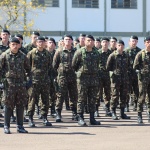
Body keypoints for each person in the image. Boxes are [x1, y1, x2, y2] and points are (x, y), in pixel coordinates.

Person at [0, 37, 30, 134]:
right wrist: (1, 82)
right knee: (8, 105)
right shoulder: (4, 55)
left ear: (20, 45)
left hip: (21, 84)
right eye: (13, 44)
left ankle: (20, 126)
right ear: (9, 45)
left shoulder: (23, 56)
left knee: (20, 105)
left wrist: (29, 81)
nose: (15, 46)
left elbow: (29, 70)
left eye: (17, 44)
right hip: (9, 84)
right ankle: (6, 126)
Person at [72, 35, 100, 126]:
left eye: (92, 41)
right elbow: (74, 65)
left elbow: (98, 64)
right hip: (83, 79)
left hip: (93, 79)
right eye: (88, 40)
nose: (90, 42)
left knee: (92, 99)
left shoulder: (96, 53)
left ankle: (92, 118)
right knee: (81, 99)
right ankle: (80, 117)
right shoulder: (80, 52)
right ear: (85, 41)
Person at [27, 36, 52, 127]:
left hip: (45, 81)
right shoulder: (31, 53)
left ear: (45, 43)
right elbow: (27, 66)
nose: (41, 43)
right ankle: (30, 118)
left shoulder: (47, 54)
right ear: (36, 43)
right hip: (34, 81)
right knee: (32, 100)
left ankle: (44, 117)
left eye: (42, 42)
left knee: (45, 100)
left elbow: (50, 66)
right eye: (39, 42)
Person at [53, 35, 78, 122]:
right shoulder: (59, 51)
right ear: (63, 41)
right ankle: (58, 113)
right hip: (62, 76)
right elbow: (54, 65)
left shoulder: (75, 51)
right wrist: (56, 76)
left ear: (72, 41)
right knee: (60, 95)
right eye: (66, 39)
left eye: (69, 39)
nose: (67, 41)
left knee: (73, 95)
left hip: (73, 76)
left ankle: (74, 113)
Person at [106, 40, 131, 120]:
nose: (120, 47)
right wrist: (113, 75)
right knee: (115, 96)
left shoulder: (126, 56)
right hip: (115, 79)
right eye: (119, 45)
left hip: (124, 79)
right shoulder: (112, 55)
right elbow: (108, 67)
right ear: (116, 46)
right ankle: (113, 112)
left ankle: (122, 113)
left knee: (124, 96)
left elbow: (129, 66)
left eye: (122, 45)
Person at [133, 36, 150, 124]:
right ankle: (139, 115)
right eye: (147, 42)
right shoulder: (140, 54)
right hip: (143, 79)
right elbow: (135, 67)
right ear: (145, 43)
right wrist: (140, 72)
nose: (149, 43)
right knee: (142, 97)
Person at [124, 35, 141, 112]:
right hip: (127, 74)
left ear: (137, 42)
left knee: (136, 90)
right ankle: (126, 105)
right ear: (129, 42)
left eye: (135, 41)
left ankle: (136, 104)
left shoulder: (140, 51)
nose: (133, 43)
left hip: (136, 74)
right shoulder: (125, 51)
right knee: (126, 90)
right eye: (132, 41)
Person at [96, 37, 112, 117]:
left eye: (106, 42)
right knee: (98, 93)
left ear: (108, 43)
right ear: (101, 43)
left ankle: (107, 108)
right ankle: (96, 110)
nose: (105, 43)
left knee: (107, 93)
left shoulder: (111, 53)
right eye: (103, 42)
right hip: (99, 76)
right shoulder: (97, 53)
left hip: (107, 76)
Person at [0, 29, 10, 121]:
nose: (5, 36)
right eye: (3, 34)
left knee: (7, 97)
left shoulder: (12, 47)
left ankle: (9, 116)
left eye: (7, 34)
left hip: (8, 77)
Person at [46, 38, 57, 117]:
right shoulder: (44, 53)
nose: (51, 44)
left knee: (53, 94)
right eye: (50, 42)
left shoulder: (57, 53)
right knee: (44, 94)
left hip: (54, 75)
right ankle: (42, 110)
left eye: (53, 43)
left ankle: (53, 109)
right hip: (44, 76)